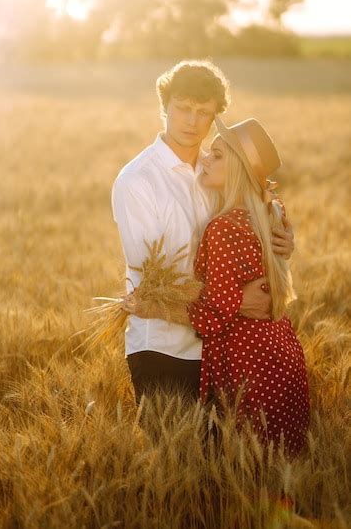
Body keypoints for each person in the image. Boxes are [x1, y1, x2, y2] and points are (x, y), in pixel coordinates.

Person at [112, 59, 295, 406]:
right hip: (162, 348)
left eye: (204, 113)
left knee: (217, 460)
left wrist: (284, 243)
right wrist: (237, 301)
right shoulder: (138, 180)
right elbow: (156, 280)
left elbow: (256, 229)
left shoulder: (219, 174)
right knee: (175, 458)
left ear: (215, 118)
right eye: (183, 109)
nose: (193, 122)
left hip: (220, 350)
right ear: (164, 106)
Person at [123, 115, 310, 456]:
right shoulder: (272, 210)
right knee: (276, 465)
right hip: (282, 353)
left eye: (219, 155)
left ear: (238, 170)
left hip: (247, 365)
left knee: (244, 467)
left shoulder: (224, 227)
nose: (206, 158)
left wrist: (148, 307)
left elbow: (212, 317)